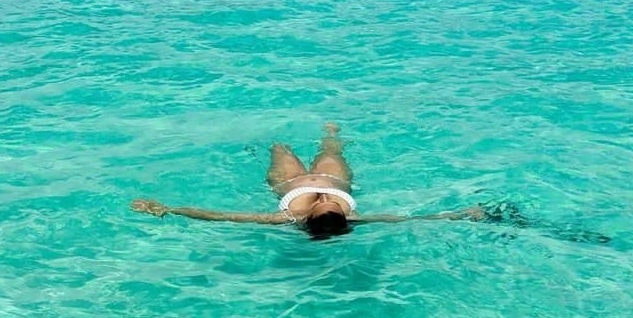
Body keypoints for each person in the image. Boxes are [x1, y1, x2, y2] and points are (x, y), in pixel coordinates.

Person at [130, 124, 489, 240]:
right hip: (336, 177)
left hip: (288, 181)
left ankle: (264, 136)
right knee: (331, 145)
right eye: (329, 204)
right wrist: (460, 213)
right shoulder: (351, 217)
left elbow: (226, 215)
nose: (322, 201)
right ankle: (330, 128)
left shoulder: (287, 218)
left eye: (323, 205)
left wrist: (169, 209)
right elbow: (409, 219)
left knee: (280, 148)